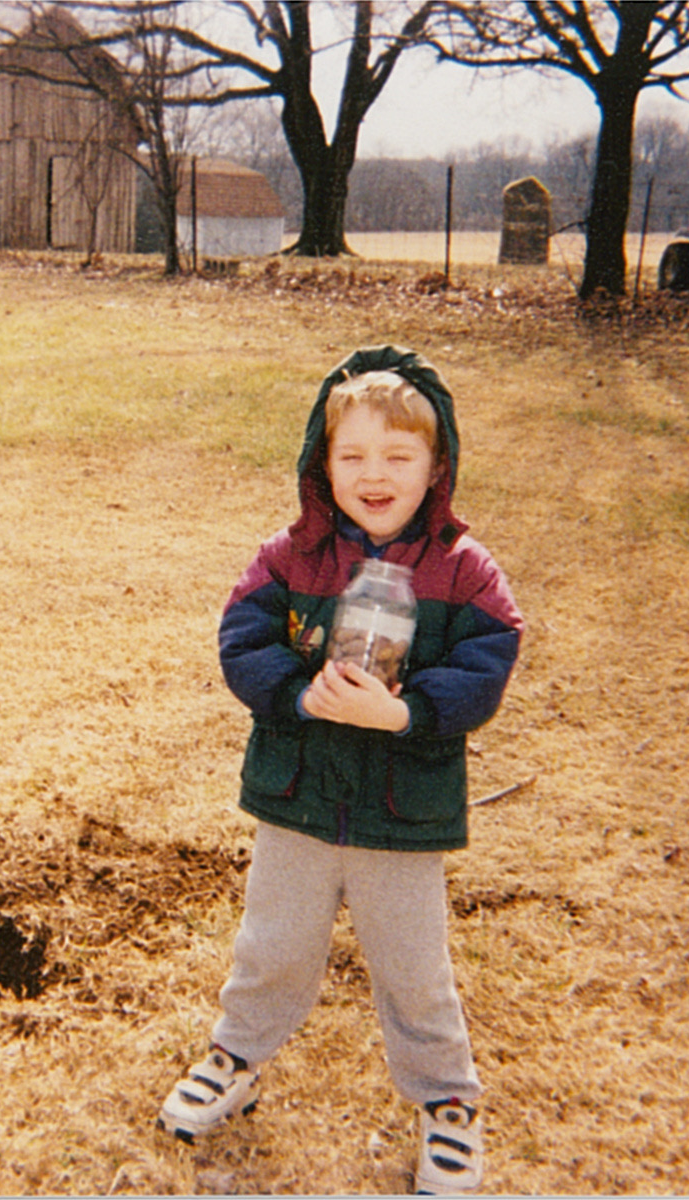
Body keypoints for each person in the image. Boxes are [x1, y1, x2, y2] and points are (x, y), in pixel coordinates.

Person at [157, 346, 523, 1196]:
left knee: (413, 967)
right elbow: (241, 639)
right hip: (300, 801)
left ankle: (447, 1103)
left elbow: (490, 656)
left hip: (404, 810)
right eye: (351, 455)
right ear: (322, 465)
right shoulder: (292, 557)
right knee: (271, 946)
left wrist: (406, 712)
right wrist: (297, 696)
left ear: (437, 467)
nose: (374, 473)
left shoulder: (463, 570)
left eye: (398, 456)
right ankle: (236, 1057)